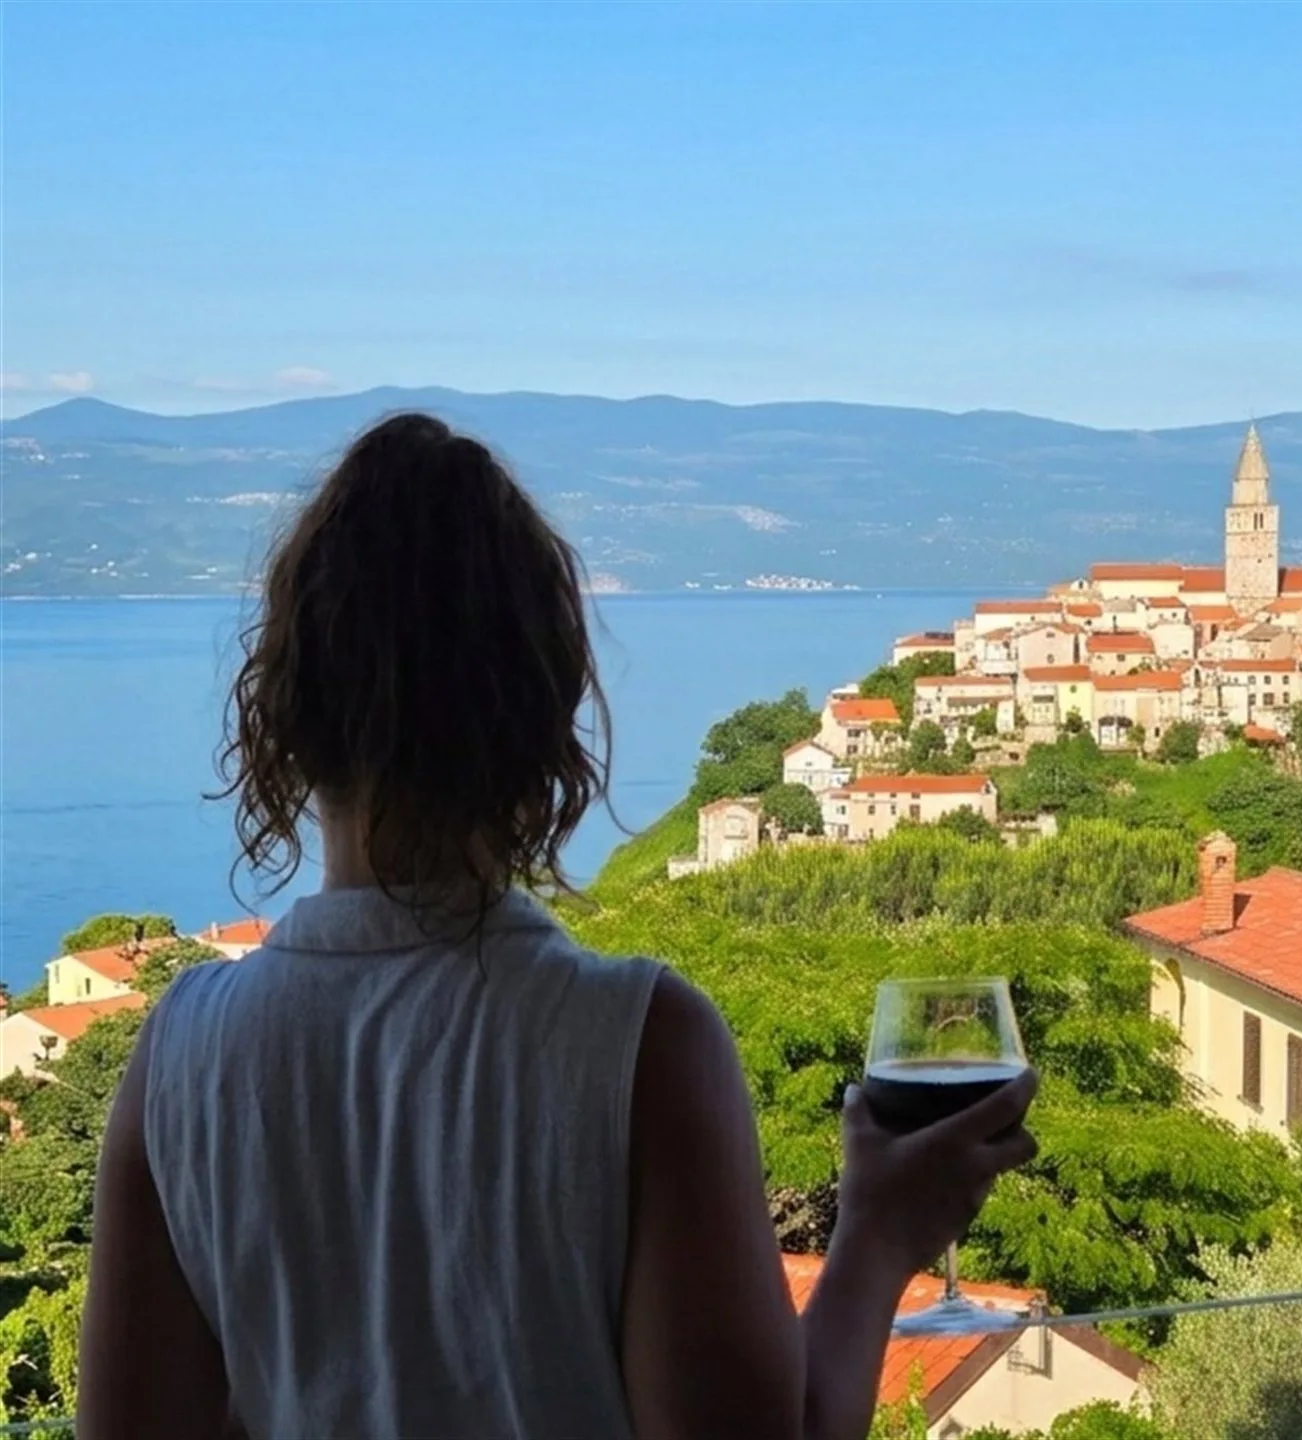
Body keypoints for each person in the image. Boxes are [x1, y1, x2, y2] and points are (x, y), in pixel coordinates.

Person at [77, 413, 1037, 1440]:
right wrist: (879, 1239)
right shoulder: (639, 1045)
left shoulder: (182, 1054)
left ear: (287, 713)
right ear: (548, 705)